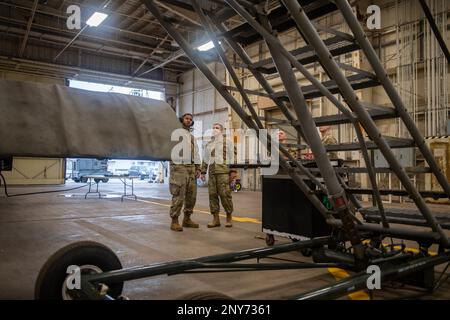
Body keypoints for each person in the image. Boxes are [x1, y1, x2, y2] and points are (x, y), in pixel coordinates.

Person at [169, 113, 201, 232]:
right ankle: (175, 220)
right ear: (182, 120)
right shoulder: (175, 133)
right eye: (187, 118)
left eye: (191, 119)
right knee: (179, 194)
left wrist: (198, 168)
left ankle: (187, 219)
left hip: (191, 167)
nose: (189, 120)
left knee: (191, 196)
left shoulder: (191, 137)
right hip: (179, 166)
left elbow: (196, 152)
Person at [201, 123, 235, 228]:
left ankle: (229, 217)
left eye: (217, 128)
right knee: (212, 196)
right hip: (212, 174)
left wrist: (233, 171)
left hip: (223, 173)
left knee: (225, 195)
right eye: (213, 128)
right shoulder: (209, 144)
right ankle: (215, 219)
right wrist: (203, 171)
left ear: (222, 131)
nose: (215, 129)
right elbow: (206, 159)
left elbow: (233, 157)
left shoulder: (228, 142)